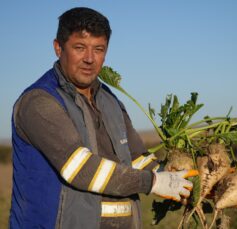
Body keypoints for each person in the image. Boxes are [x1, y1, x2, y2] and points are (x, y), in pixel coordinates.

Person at [9, 7, 197, 229]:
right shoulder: (39, 102)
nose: (89, 58)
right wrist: (154, 182)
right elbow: (79, 168)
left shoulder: (110, 100)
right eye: (79, 48)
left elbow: (136, 158)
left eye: (98, 49)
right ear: (58, 48)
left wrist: (179, 177)